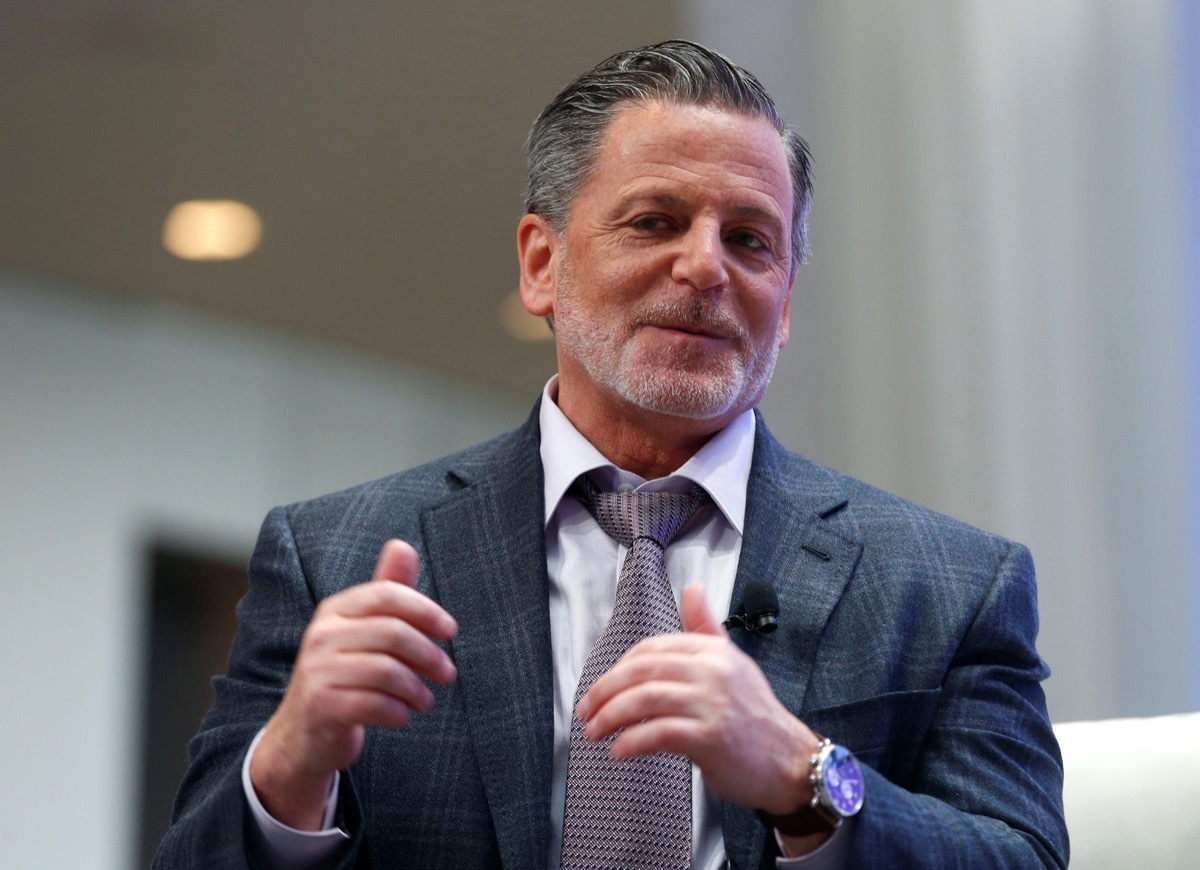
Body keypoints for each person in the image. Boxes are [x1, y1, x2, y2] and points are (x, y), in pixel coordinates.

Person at [155, 40, 1068, 869]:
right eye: (655, 222)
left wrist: (805, 776)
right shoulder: (335, 558)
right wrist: (291, 761)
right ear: (541, 264)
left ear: (784, 303)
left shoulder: (949, 586)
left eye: (749, 240)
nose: (707, 267)